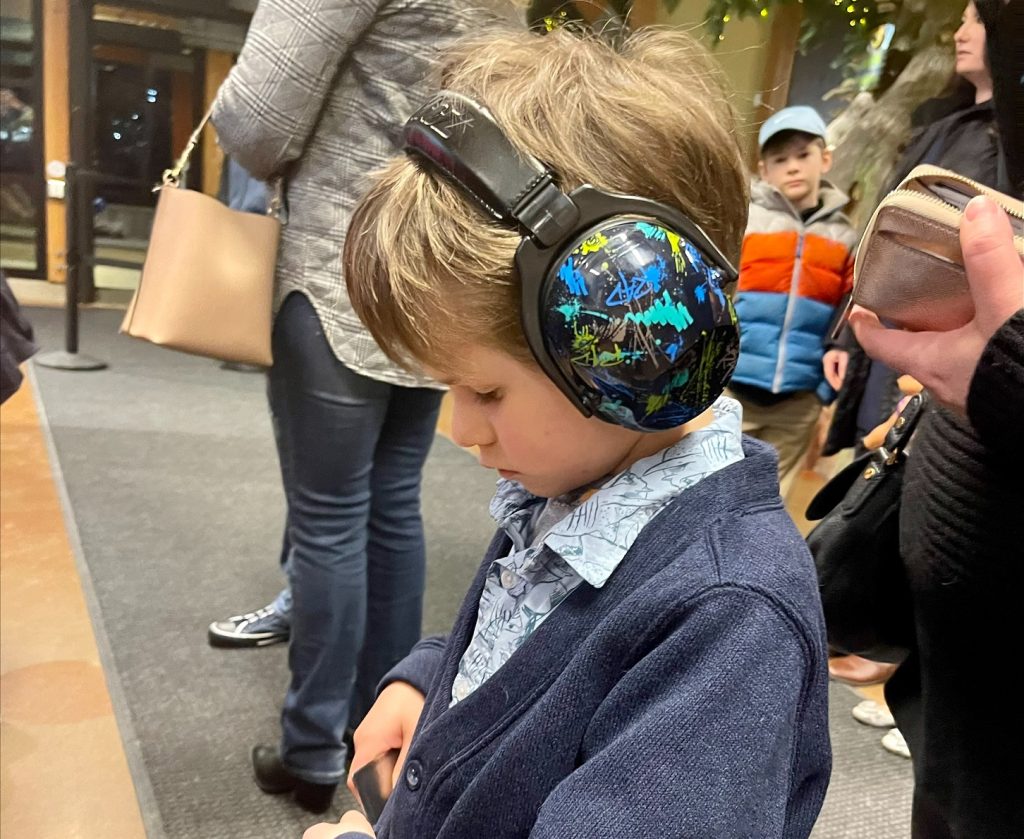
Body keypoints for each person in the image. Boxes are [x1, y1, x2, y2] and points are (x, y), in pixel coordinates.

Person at [303, 27, 831, 839]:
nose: (458, 428)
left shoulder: (730, 625)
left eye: (483, 389)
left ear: (637, 345)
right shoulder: (576, 485)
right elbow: (527, 628)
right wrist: (427, 681)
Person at [207, 0, 481, 813]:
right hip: (430, 274)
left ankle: (313, 746)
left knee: (329, 515)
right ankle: (387, 738)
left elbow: (256, 122)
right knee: (394, 506)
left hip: (335, 267)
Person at [824, 0, 1011, 461]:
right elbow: (884, 233)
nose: (959, 34)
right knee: (869, 462)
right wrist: (848, 335)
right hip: (887, 336)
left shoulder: (1009, 141)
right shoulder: (939, 127)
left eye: (977, 22)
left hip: (958, 362)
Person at [727, 105, 856, 498]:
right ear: (765, 170)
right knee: (711, 485)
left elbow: (849, 312)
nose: (793, 167)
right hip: (734, 388)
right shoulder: (747, 220)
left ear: (825, 158)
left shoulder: (844, 236)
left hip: (799, 399)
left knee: (770, 500)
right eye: (780, 160)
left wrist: (822, 391)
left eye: (803, 155)